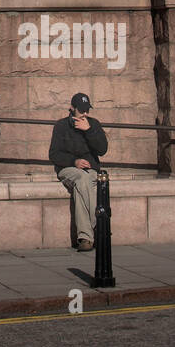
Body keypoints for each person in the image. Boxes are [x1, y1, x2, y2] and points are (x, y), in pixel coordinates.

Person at [49, 92, 109, 250]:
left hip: (90, 171)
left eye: (87, 110)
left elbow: (102, 150)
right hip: (68, 169)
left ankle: (85, 238)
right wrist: (73, 162)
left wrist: (89, 131)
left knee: (81, 186)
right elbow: (54, 154)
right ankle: (100, 226)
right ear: (72, 108)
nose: (85, 113)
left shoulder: (93, 124)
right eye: (81, 110)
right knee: (82, 179)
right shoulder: (61, 126)